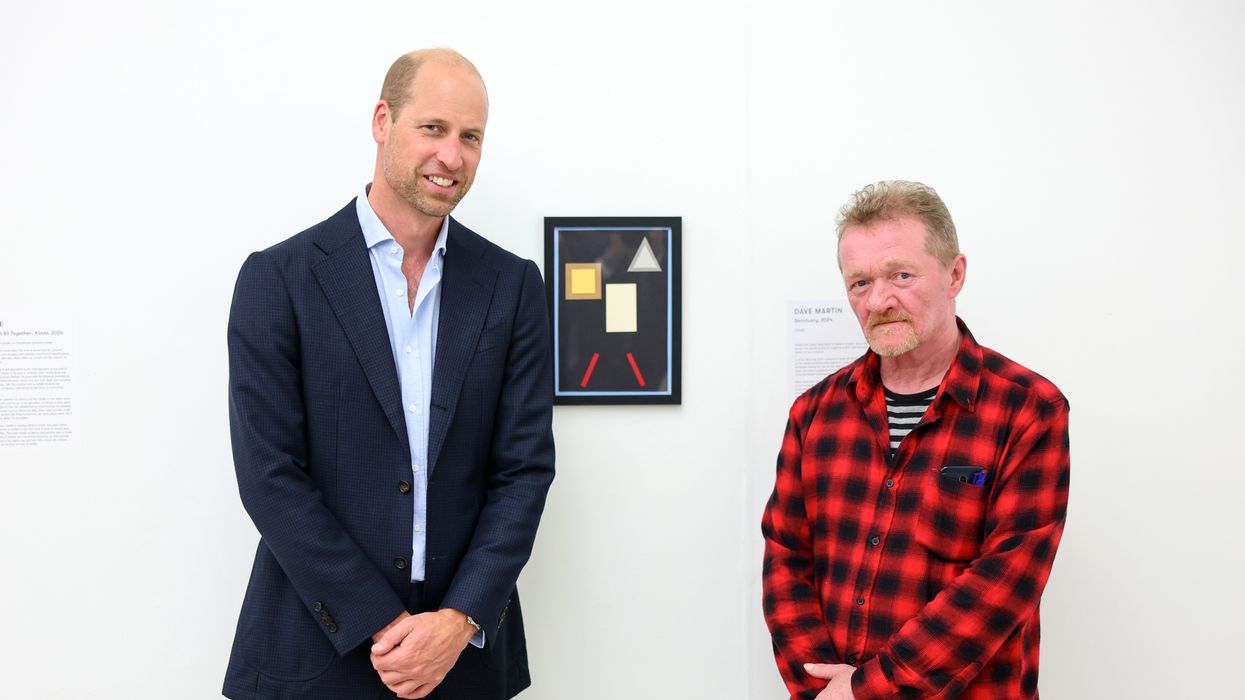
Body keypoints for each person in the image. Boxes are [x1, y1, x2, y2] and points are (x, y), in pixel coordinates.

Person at [223, 48, 555, 700]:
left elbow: (523, 472)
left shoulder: (512, 287)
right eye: (432, 128)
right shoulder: (279, 279)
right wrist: (382, 623)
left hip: (463, 663)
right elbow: (270, 477)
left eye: (470, 137)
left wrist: (458, 622)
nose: (451, 157)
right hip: (312, 656)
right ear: (382, 120)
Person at [762, 181, 1070, 699]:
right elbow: (786, 561)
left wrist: (865, 690)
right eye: (859, 283)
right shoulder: (813, 416)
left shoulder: (1029, 410)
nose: (879, 300)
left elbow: (1001, 587)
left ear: (954, 274)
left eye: (900, 275)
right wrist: (819, 689)